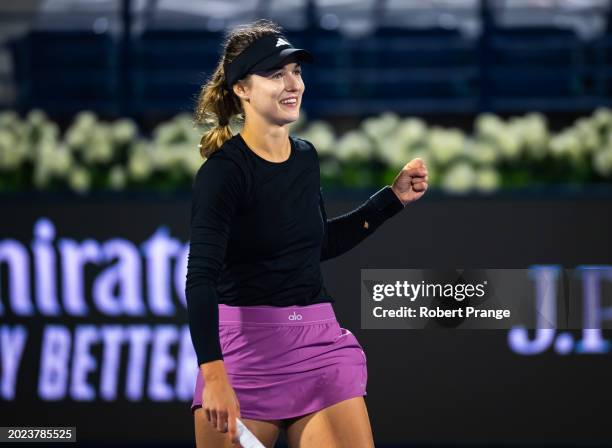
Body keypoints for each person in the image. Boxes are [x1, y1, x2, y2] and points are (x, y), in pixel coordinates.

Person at [186, 19, 428, 448]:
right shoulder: (222, 175)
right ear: (241, 89)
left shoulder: (305, 158)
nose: (292, 83)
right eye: (275, 74)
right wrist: (214, 374)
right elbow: (200, 280)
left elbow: (314, 245)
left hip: (319, 347)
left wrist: (391, 200)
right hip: (243, 356)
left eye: (295, 71)